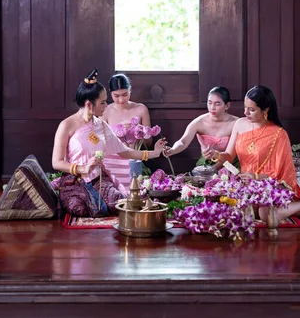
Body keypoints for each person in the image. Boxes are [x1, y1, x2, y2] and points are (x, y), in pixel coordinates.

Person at [212, 85, 300, 221]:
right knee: (230, 209)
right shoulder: (239, 124)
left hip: (269, 184)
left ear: (265, 110)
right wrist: (217, 155)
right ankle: (292, 209)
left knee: (266, 216)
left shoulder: (279, 134)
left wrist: (255, 176)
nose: (245, 113)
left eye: (252, 110)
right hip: (245, 183)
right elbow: (229, 156)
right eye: (245, 107)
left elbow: (283, 176)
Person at [52, 69, 166, 217]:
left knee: (118, 202)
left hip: (98, 179)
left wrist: (154, 153)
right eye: (103, 102)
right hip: (74, 181)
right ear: (89, 104)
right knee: (79, 207)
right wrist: (82, 168)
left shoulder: (101, 125)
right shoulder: (66, 125)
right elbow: (57, 162)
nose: (107, 106)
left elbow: (125, 151)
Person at [102, 73, 152, 189]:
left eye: (125, 94)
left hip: (134, 159)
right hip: (112, 161)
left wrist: (138, 131)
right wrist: (116, 131)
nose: (121, 99)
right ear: (110, 93)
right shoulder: (105, 111)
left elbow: (149, 143)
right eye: (116, 95)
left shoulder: (141, 109)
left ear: (130, 90)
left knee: (140, 185)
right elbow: (100, 141)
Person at [165, 86, 237, 160]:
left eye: (217, 104)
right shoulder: (199, 122)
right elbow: (183, 142)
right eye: (209, 103)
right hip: (207, 163)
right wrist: (172, 150)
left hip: (230, 162)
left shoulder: (236, 123)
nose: (212, 107)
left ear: (227, 105)